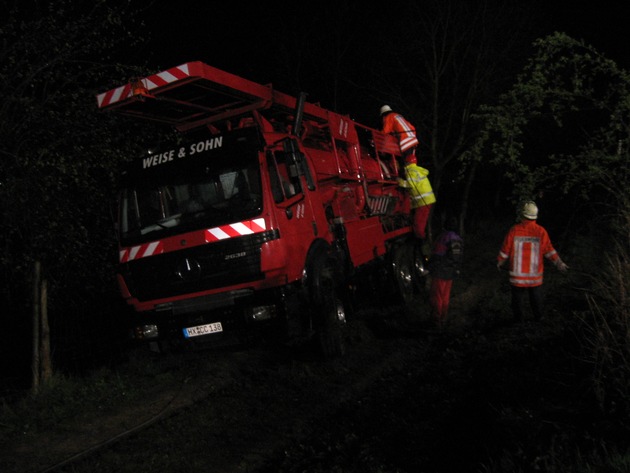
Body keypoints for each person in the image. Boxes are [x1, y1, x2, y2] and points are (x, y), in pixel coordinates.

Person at [496, 201, 569, 322]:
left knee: (517, 299)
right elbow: (549, 250)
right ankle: (539, 318)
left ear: (523, 215)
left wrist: (500, 261)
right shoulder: (541, 231)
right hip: (534, 275)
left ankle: (518, 321)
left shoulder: (514, 230)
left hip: (517, 276)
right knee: (535, 298)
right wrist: (559, 263)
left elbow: (505, 249)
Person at [428, 216, 464, 328]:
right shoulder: (455, 238)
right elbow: (456, 257)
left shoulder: (444, 237)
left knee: (437, 297)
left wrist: (433, 267)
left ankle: (436, 321)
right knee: (444, 297)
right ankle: (442, 319)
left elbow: (441, 255)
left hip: (440, 272)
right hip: (447, 272)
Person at [398, 154, 436, 241]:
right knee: (420, 222)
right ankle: (421, 241)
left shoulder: (410, 171)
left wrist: (400, 182)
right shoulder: (416, 170)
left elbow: (410, 185)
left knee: (418, 224)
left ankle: (422, 243)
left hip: (423, 201)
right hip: (426, 200)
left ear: (407, 163)